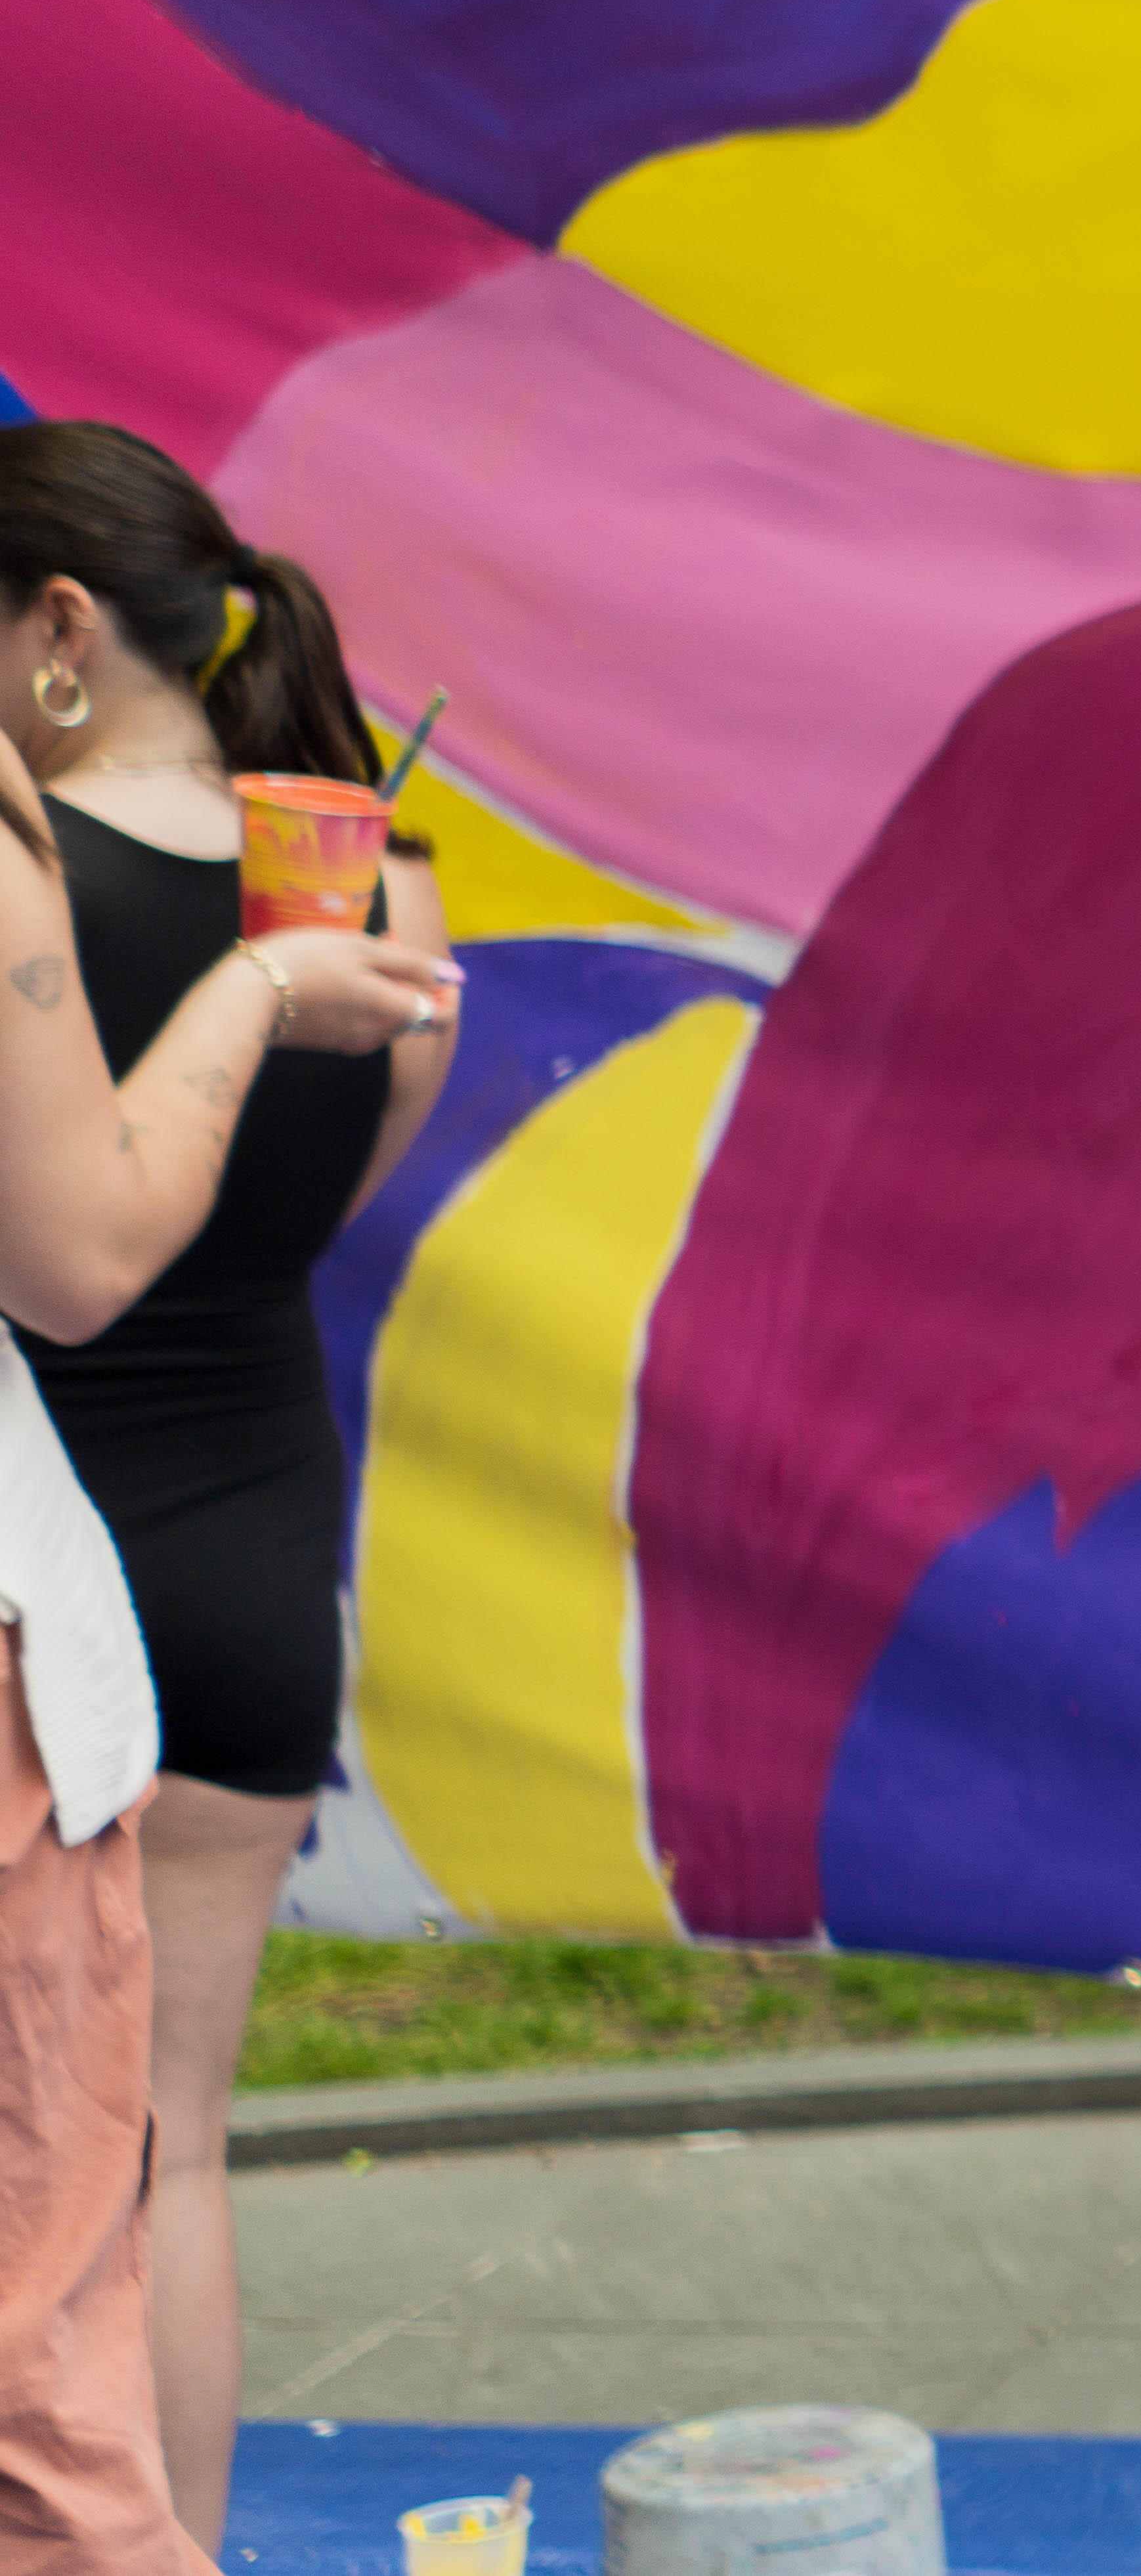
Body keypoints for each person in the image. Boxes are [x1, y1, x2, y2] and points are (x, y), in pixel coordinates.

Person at [0, 424, 462, 2553]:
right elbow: (293, 1218)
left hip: (45, 1583)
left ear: (64, 633)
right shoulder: (387, 890)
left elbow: (87, 1254)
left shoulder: (31, 875)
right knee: (168, 2146)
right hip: (260, 1536)